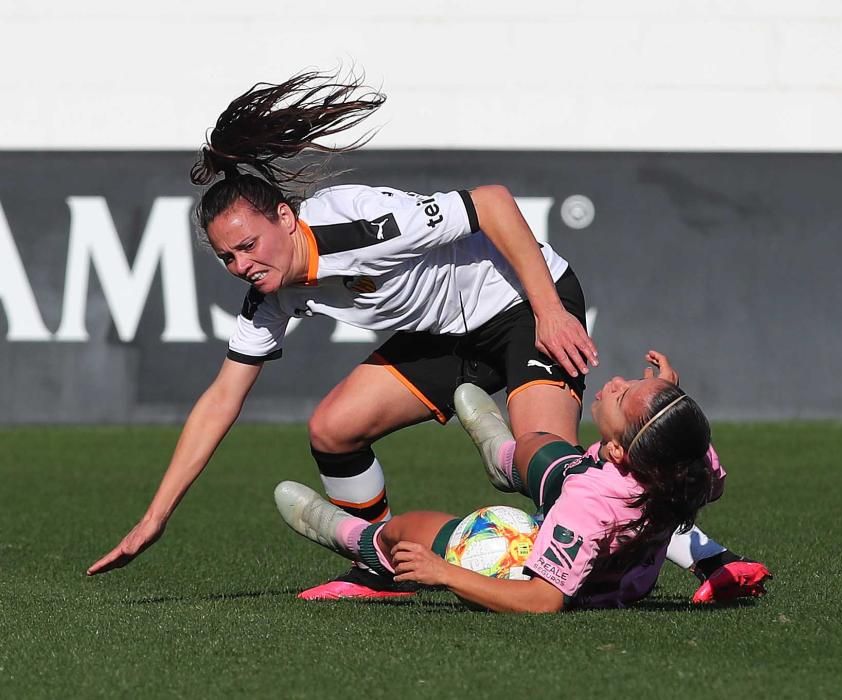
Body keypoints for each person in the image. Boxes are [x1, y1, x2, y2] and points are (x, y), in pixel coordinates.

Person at [86, 69, 766, 603]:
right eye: (226, 258)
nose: (241, 264)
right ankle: (377, 563)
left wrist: (552, 310)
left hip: (523, 303)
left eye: (247, 245)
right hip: (443, 333)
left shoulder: (363, 226)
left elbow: (493, 203)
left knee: (545, 461)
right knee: (332, 429)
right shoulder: (270, 292)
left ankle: (711, 558)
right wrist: (156, 515)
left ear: (287, 220)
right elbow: (219, 401)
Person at [274, 354, 768, 611]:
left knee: (410, 528)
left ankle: (353, 538)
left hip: (559, 577)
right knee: (542, 446)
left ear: (619, 450)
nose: (616, 383)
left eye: (625, 397)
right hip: (624, 561)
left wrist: (443, 574)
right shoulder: (690, 463)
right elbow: (688, 461)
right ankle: (502, 456)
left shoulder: (587, 504)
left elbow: (543, 600)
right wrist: (665, 399)